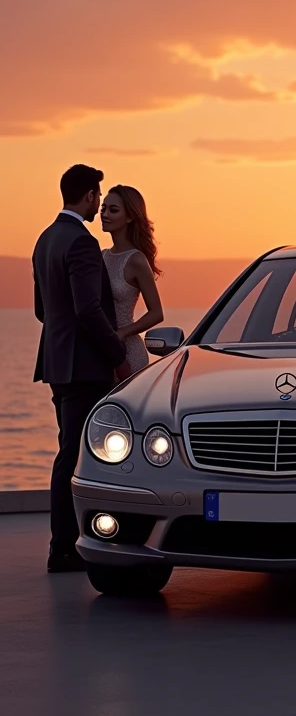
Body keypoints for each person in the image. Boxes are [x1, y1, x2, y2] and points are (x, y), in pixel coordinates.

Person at [33, 165, 130, 573]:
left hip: (57, 361)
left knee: (68, 449)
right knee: (76, 455)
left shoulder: (44, 240)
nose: (99, 204)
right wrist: (116, 356)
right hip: (86, 365)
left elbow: (42, 309)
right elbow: (88, 309)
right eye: (99, 197)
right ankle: (65, 548)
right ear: (90, 195)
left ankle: (70, 543)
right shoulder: (82, 243)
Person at [100, 184, 164, 374]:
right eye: (103, 208)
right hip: (104, 352)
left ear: (129, 217)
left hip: (129, 353)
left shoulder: (136, 259)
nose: (105, 214)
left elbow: (157, 313)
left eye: (113, 210)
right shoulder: (102, 255)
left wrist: (122, 333)